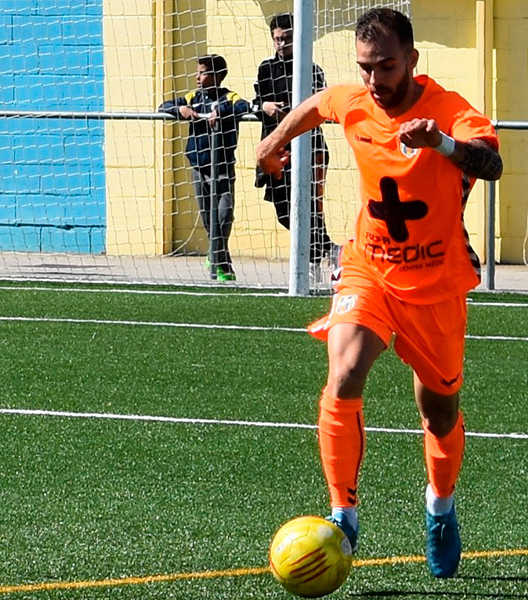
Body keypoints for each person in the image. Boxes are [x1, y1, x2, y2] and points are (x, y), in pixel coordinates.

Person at [256, 8, 502, 579]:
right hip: (368, 268)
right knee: (343, 372)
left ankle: (439, 506)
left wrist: (441, 143)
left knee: (439, 411)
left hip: (436, 284)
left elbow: (491, 163)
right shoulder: (356, 100)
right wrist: (272, 142)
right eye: (366, 67)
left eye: (386, 66)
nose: (374, 80)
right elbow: (319, 105)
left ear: (412, 60)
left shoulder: (449, 109)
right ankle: (343, 512)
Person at [252, 13, 337, 272]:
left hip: (308, 146)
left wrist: (293, 113)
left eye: (287, 38)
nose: (281, 44)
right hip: (277, 149)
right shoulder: (265, 68)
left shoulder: (310, 68)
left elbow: (320, 104)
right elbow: (256, 101)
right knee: (284, 211)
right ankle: (328, 249)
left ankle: (312, 261)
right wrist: (264, 106)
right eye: (277, 39)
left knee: (309, 205)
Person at [159, 54, 250, 281]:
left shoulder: (228, 96)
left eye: (203, 72)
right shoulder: (193, 97)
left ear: (218, 75)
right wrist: (180, 110)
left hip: (221, 164)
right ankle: (222, 264)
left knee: (224, 212)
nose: (197, 77)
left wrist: (221, 112)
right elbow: (164, 105)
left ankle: (214, 255)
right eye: (197, 72)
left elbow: (243, 106)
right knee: (207, 215)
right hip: (198, 164)